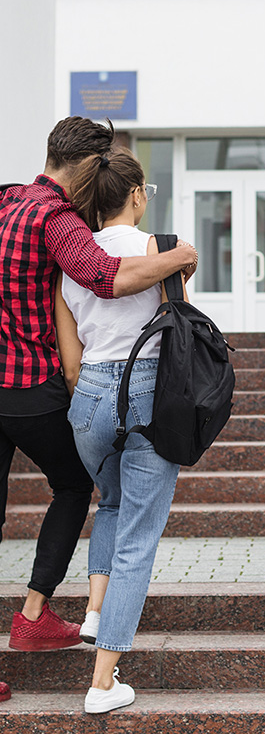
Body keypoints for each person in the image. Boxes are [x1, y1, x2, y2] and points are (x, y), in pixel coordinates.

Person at [0, 118, 196, 679]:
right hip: (40, 387)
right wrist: (178, 257)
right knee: (88, 496)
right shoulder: (58, 221)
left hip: (50, 388)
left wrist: (84, 393)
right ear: (92, 166)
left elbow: (73, 356)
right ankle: (86, 656)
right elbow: (104, 276)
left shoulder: (9, 199)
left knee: (97, 494)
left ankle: (67, 613)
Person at [53, 147, 187, 713]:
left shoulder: (73, 260)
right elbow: (180, 335)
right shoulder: (160, 251)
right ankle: (103, 682)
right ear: (136, 195)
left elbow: (70, 360)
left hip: (89, 398)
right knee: (138, 534)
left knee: (109, 504)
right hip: (149, 393)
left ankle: (92, 612)